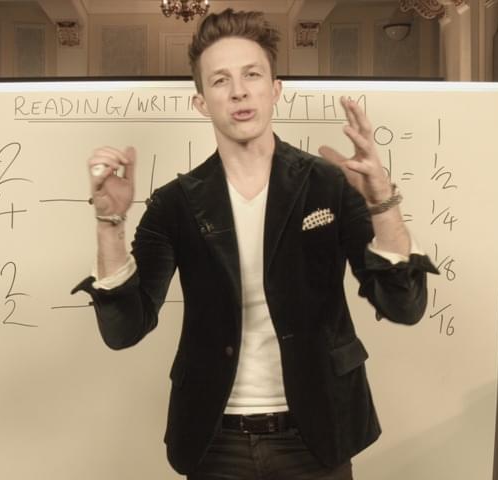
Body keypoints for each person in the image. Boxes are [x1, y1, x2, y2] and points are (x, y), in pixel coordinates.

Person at [71, 9, 438, 480]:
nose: (239, 91)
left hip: (319, 430)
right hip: (214, 438)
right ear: (201, 102)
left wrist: (382, 203)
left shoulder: (328, 183)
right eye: (220, 80)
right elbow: (124, 330)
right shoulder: (175, 203)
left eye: (251, 75)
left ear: (275, 89)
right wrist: (110, 222)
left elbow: (404, 307)